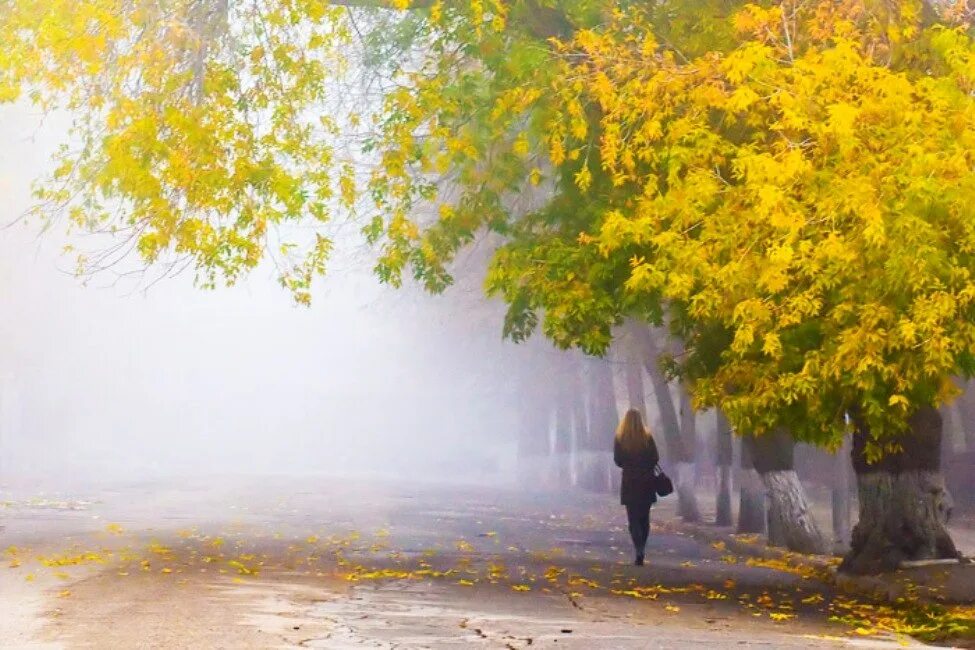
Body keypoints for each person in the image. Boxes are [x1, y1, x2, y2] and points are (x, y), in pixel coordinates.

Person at [613, 408, 660, 566]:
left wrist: (629, 464)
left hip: (629, 482)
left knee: (633, 519)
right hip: (646, 482)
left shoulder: (621, 438)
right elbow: (655, 458)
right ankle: (642, 548)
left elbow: (618, 460)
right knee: (644, 518)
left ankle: (638, 549)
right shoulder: (647, 438)